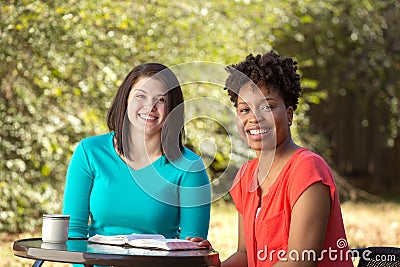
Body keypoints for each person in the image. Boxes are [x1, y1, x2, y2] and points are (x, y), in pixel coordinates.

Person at [191, 51, 353, 267]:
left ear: (289, 114)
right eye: (244, 109)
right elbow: (245, 254)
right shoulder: (246, 176)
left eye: (267, 106)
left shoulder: (307, 168)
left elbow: (300, 262)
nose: (254, 118)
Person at [62, 63, 211, 247]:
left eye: (161, 100)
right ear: (125, 100)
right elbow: (73, 232)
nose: (150, 106)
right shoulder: (89, 152)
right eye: (140, 96)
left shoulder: (190, 167)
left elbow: (190, 247)